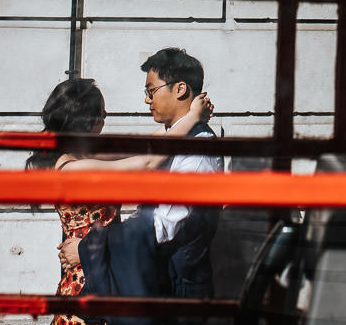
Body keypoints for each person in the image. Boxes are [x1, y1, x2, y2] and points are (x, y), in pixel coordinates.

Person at [27, 77, 213, 325]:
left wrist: (185, 117)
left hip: (100, 265)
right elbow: (147, 162)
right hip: (89, 277)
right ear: (85, 119)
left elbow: (148, 146)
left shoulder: (85, 156)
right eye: (101, 115)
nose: (104, 121)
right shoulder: (72, 168)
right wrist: (192, 118)